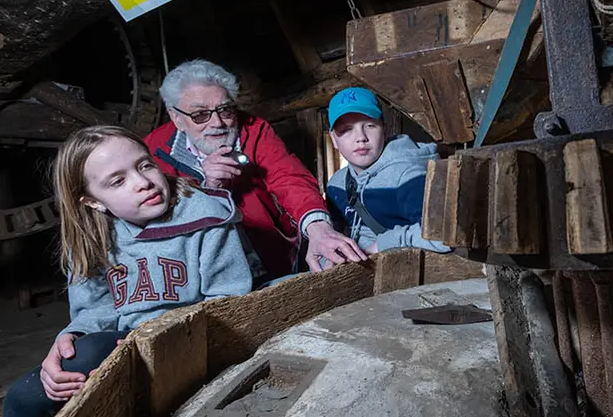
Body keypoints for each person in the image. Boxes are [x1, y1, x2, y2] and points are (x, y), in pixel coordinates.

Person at [2, 126, 253, 417]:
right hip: (126, 342)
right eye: (118, 181)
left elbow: (229, 304)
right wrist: (73, 336)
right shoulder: (91, 235)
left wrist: (162, 342)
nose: (143, 182)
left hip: (195, 340)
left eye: (145, 165)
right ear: (93, 202)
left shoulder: (207, 215)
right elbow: (94, 310)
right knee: (21, 407)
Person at [144, 59, 365, 280]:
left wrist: (319, 229)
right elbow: (156, 222)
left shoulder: (253, 129)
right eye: (200, 114)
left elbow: (288, 178)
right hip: (201, 272)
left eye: (225, 110)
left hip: (269, 254)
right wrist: (207, 190)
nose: (218, 123)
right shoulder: (152, 151)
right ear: (176, 118)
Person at [325, 87, 450, 254]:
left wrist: (383, 245)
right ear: (333, 139)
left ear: (384, 128)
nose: (361, 137)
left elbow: (442, 238)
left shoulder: (407, 175)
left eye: (370, 125)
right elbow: (333, 236)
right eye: (346, 130)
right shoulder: (336, 185)